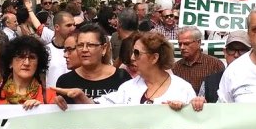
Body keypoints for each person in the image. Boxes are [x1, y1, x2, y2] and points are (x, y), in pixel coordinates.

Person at [61, 32, 195, 108]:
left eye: (137, 53)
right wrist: (81, 96)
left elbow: (198, 126)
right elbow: (98, 108)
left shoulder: (183, 89)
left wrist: (185, 110)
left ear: (154, 58)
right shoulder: (127, 88)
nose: (132, 57)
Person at [0, 35, 65, 111]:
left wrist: (42, 110)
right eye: (21, 57)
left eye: (32, 57)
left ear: (38, 63)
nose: (26, 63)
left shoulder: (49, 96)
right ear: (10, 63)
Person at [55, 23, 129, 102]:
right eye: (80, 45)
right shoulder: (65, 81)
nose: (84, 50)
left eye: (90, 45)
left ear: (103, 48)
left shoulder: (121, 77)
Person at [172, 27, 223, 92]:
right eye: (180, 44)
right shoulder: (175, 67)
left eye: (186, 44)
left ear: (198, 42)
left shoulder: (215, 64)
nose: (182, 47)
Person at [44, 11, 77, 87]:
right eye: (68, 25)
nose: (73, 28)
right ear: (57, 27)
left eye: (74, 25)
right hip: (52, 96)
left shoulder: (79, 49)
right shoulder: (46, 50)